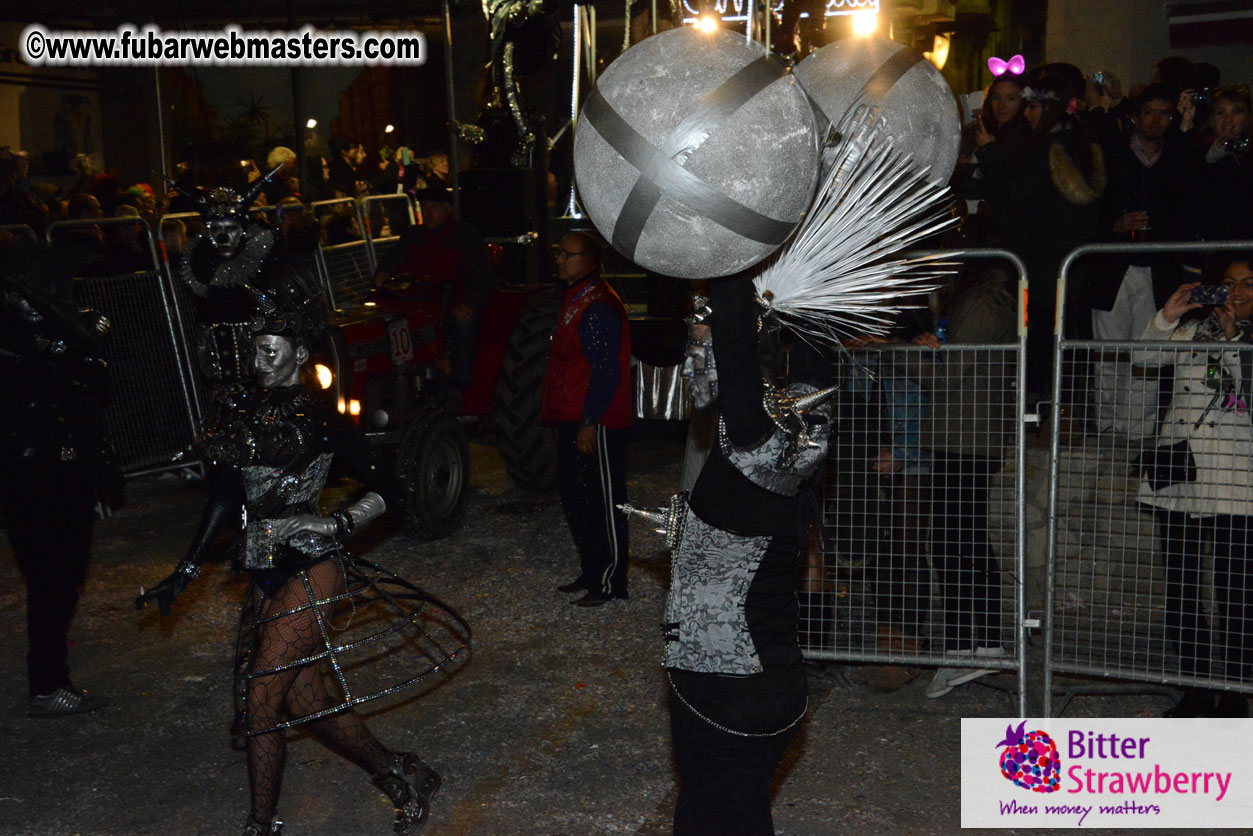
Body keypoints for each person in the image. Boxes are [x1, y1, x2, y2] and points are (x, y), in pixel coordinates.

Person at [135, 295, 445, 835]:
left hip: (314, 569)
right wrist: (184, 572)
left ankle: (261, 824)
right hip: (263, 572)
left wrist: (338, 523)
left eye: (271, 351)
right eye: (255, 351)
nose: (259, 362)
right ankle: (399, 769)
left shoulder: (322, 419)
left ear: (299, 354)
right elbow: (225, 500)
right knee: (308, 698)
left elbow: (393, 487)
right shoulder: (241, 414)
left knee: (262, 696)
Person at [660, 276, 833, 835]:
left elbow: (728, 367)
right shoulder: (807, 435)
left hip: (722, 686)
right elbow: (813, 355)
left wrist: (732, 259)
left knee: (722, 818)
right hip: (775, 687)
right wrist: (808, 295)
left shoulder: (751, 450)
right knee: (716, 813)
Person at [1134, 254, 1253, 718]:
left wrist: (1231, 342)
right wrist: (1168, 315)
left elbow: (1239, 393)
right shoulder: (1190, 331)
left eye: (1247, 284)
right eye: (1228, 283)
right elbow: (1141, 357)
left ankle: (1234, 694)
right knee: (1182, 590)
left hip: (1236, 481)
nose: (1237, 292)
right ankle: (1195, 690)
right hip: (1180, 477)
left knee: (1235, 593)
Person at [1, 245, 117, 717]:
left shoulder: (69, 331)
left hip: (69, 473)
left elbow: (95, 386)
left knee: (65, 578)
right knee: (49, 579)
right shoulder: (10, 340)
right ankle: (47, 684)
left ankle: (51, 680)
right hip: (29, 475)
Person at [902, 270, 1018, 698]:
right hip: (963, 438)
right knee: (961, 540)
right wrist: (922, 348)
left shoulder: (983, 301)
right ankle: (978, 645)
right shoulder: (982, 300)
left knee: (954, 542)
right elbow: (951, 365)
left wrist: (890, 351)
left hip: (966, 440)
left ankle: (967, 647)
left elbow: (947, 377)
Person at [541, 231, 631, 606]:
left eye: (567, 254)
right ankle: (592, 572)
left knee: (604, 502)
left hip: (598, 421)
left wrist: (590, 421)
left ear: (590, 261)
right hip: (573, 416)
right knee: (577, 499)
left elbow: (605, 371)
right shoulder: (577, 299)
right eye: (558, 252)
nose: (559, 259)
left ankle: (610, 582)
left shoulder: (597, 306)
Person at [373, 187, 493, 410]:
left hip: (453, 301)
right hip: (420, 303)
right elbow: (393, 258)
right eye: (423, 207)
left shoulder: (466, 236)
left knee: (463, 322)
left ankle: (460, 383)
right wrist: (382, 272)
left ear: (447, 210)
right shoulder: (413, 236)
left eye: (434, 207)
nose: (427, 213)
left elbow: (482, 277)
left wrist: (471, 303)